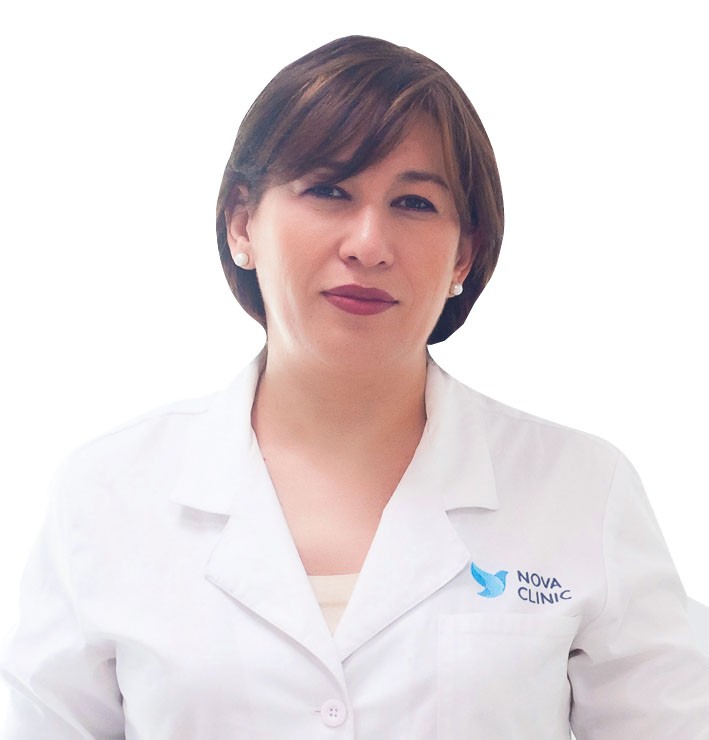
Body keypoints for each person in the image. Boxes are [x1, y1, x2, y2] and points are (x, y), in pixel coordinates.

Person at [2, 35, 708, 739]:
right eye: (329, 191)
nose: (368, 244)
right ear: (242, 224)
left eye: (414, 202)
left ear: (463, 254)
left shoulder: (579, 490)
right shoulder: (107, 495)